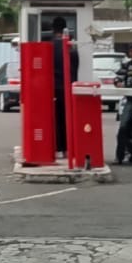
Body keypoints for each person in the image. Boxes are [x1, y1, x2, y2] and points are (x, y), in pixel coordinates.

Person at [48, 15, 79, 157]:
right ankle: (68, 149)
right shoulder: (71, 47)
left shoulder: (49, 47)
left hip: (52, 88)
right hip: (68, 88)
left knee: (54, 119)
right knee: (68, 118)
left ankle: (57, 148)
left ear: (53, 29)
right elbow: (75, 70)